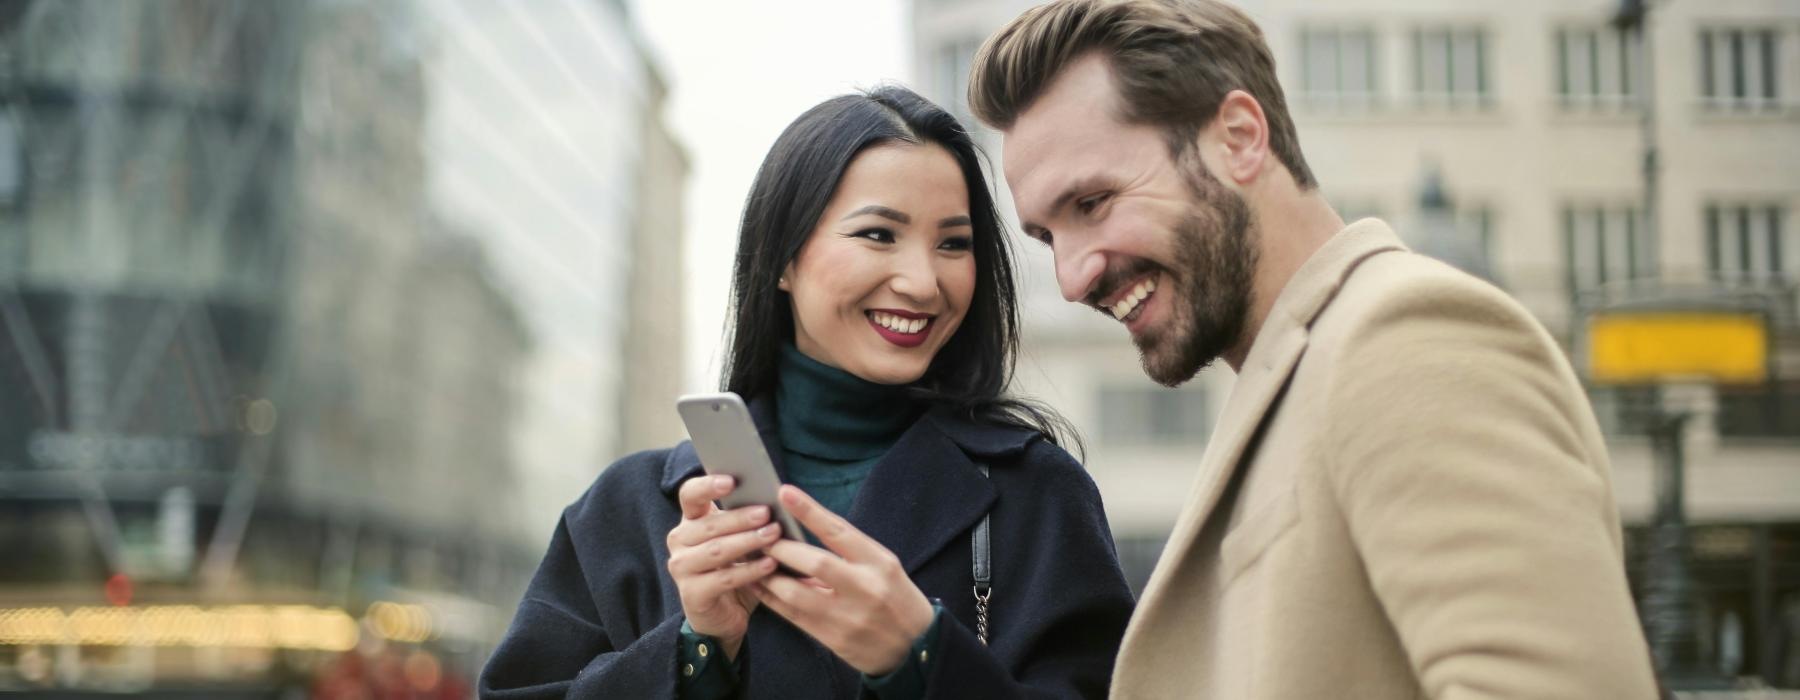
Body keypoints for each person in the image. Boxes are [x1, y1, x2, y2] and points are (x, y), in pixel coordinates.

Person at [966, 1, 1661, 697]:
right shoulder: (1295, 372)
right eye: (1049, 237)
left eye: (1092, 203)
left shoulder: (1406, 336)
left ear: (1239, 138)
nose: (1073, 276)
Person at [478, 85, 1134, 699]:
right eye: (879, 234)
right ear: (785, 257)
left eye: (953, 244)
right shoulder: (629, 512)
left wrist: (923, 656)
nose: (923, 282)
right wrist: (697, 650)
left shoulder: (1039, 496)